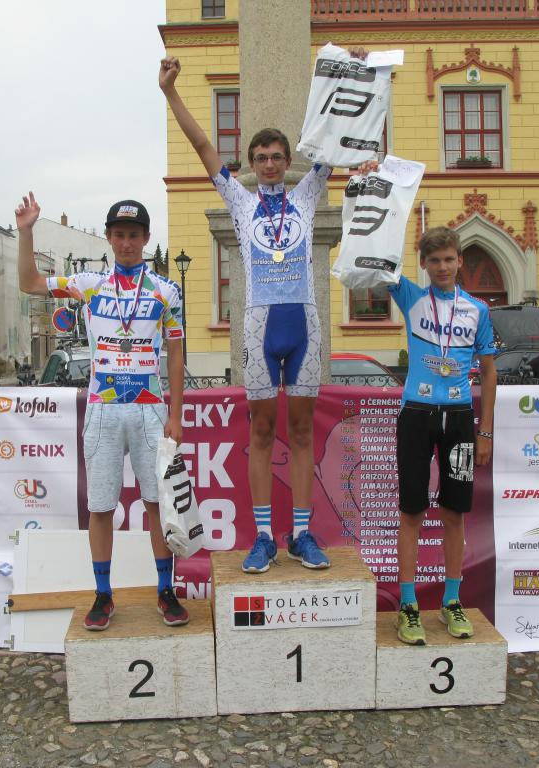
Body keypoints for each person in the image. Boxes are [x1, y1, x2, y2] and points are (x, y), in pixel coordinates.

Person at [159, 52, 364, 573]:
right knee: (260, 433)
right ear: (250, 164)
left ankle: (301, 534)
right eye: (261, 157)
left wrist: (353, 73)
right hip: (258, 325)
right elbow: (203, 146)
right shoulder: (241, 202)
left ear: (287, 160)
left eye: (276, 156)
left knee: (302, 432)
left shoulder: (308, 193)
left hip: (304, 323)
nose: (269, 164)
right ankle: (264, 538)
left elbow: (334, 134)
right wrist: (170, 93)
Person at [15, 192, 188, 630]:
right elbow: (30, 282)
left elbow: (175, 353)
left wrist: (176, 414)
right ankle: (103, 594)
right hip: (103, 410)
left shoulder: (167, 291)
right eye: (119, 235)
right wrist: (26, 232)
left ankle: (165, 590)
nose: (127, 243)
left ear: (146, 238)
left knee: (157, 504)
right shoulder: (88, 284)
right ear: (109, 238)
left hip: (149, 410)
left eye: (134, 235)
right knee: (101, 507)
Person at [387, 225, 497, 645]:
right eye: (434, 260)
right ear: (424, 264)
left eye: (449, 259)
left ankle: (452, 600)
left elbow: (489, 372)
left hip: (460, 419)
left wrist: (485, 431)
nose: (442, 267)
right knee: (411, 512)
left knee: (455, 512)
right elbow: (377, 264)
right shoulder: (412, 297)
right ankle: (408, 605)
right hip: (416, 415)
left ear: (460, 260)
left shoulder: (477, 310)